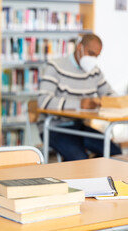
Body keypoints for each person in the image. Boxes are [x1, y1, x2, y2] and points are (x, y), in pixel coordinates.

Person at [37, 33, 122, 161]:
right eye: (91, 53)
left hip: (79, 126)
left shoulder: (94, 71)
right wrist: (79, 104)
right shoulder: (55, 67)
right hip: (55, 127)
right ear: (79, 47)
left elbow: (109, 94)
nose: (93, 58)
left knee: (115, 153)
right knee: (81, 159)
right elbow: (43, 101)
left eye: (96, 56)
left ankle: (95, 176)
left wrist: (105, 101)